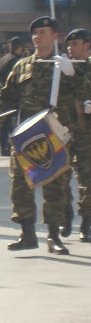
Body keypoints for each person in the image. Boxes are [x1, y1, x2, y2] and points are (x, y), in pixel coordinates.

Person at [0, 16, 88, 255]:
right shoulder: (23, 65)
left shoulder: (65, 65)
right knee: (20, 186)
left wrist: (72, 73)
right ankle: (27, 233)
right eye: (35, 33)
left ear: (55, 36)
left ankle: (53, 235)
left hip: (55, 133)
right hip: (28, 134)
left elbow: (85, 92)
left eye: (43, 32)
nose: (37, 37)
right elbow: (7, 94)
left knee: (55, 188)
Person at [63, 29, 91, 242]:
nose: (71, 49)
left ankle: (86, 222)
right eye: (69, 45)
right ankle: (65, 214)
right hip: (63, 130)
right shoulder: (62, 67)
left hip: (86, 132)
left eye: (75, 44)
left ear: (87, 45)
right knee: (61, 177)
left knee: (86, 179)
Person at [0, 37, 23, 156]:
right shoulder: (16, 60)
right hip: (14, 95)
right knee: (12, 122)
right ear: (20, 47)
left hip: (3, 90)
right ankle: (8, 147)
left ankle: (4, 146)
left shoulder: (3, 58)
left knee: (5, 122)